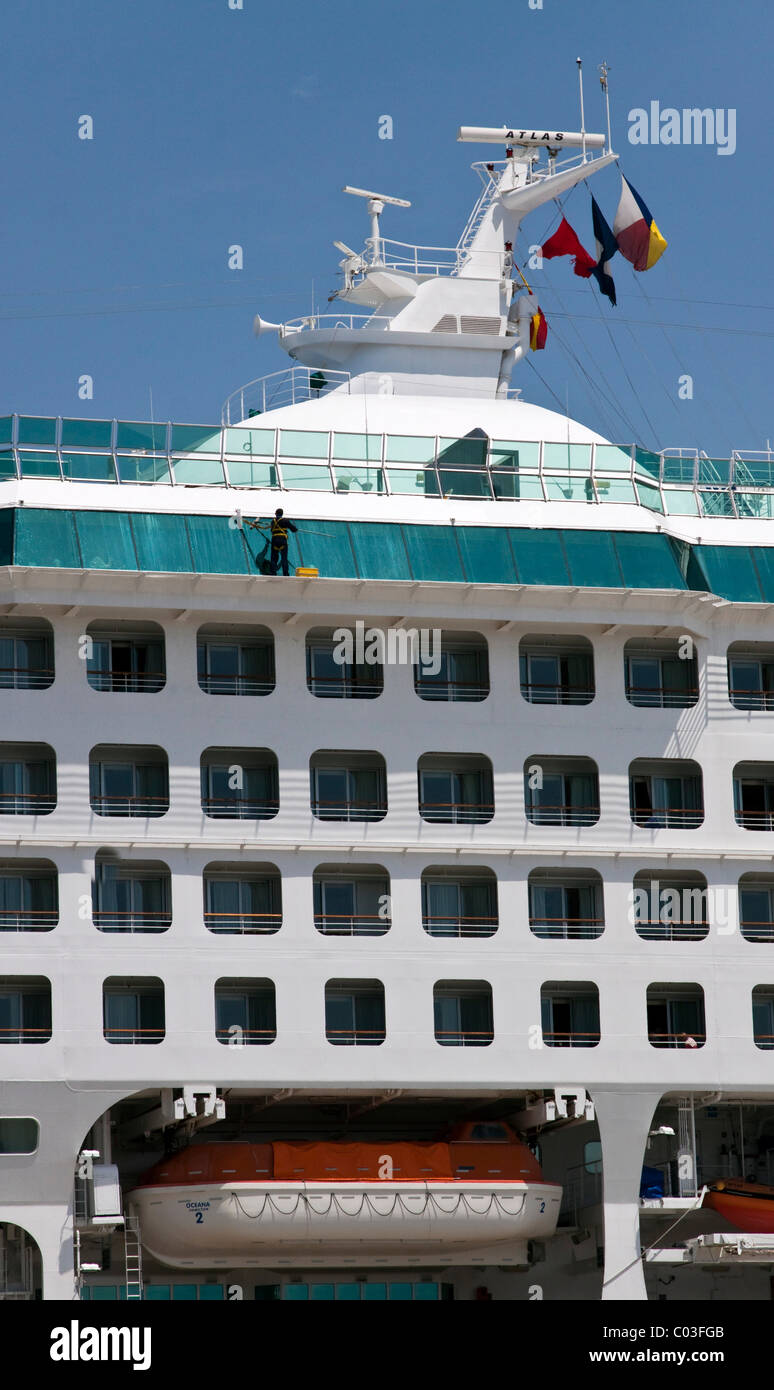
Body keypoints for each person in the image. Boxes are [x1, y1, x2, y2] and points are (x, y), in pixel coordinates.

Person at [246, 508, 297, 576]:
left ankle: (273, 572)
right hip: (282, 540)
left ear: (275, 514)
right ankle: (286, 574)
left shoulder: (273, 522)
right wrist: (295, 529)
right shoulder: (285, 521)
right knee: (284, 557)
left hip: (274, 540)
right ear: (282, 514)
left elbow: (271, 529)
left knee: (274, 558)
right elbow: (294, 530)